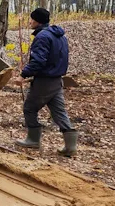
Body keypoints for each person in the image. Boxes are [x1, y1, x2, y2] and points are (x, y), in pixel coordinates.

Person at [11, 8, 78, 157]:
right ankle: (71, 147)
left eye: (31, 19)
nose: (29, 21)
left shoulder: (42, 37)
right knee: (59, 113)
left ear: (37, 21)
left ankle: (33, 140)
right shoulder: (60, 37)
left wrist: (23, 75)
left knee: (29, 108)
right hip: (57, 81)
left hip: (44, 82)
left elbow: (38, 61)